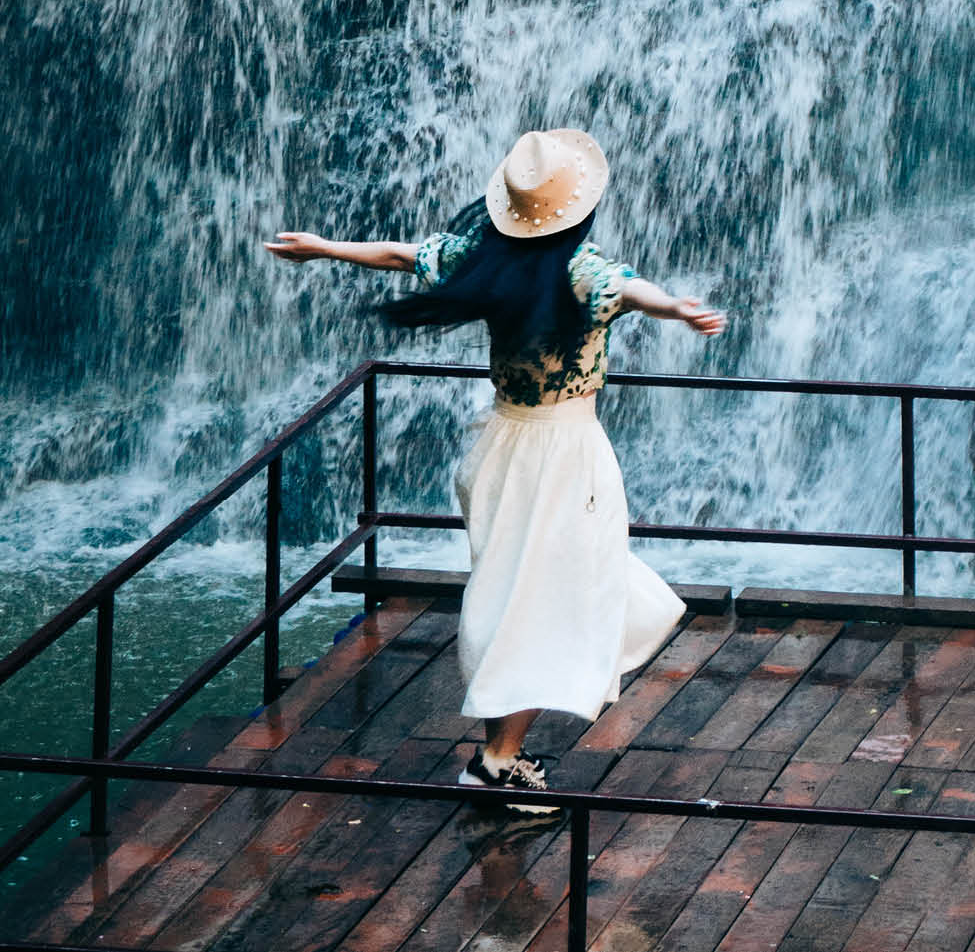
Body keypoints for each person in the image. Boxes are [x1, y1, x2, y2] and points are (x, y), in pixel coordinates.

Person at [269, 129, 724, 810]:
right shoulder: (580, 272)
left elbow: (402, 253)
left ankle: (498, 752)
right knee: (548, 599)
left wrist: (322, 247)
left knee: (522, 594)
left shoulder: (482, 258)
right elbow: (633, 289)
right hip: (565, 454)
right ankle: (496, 760)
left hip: (502, 444)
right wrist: (678, 307)